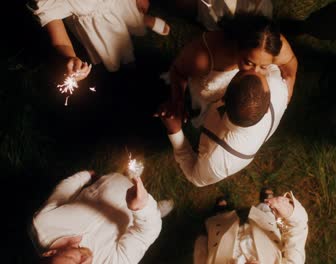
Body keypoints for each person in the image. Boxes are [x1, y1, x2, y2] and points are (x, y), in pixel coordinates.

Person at [157, 65, 289, 187]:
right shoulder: (276, 86)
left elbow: (194, 177)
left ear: (223, 97)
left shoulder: (219, 161)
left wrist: (175, 131)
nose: (256, 68)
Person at [165, 14, 296, 127]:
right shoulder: (202, 58)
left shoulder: (271, 45)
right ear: (237, 46)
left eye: (263, 66)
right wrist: (178, 101)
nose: (255, 74)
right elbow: (177, 71)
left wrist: (287, 95)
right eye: (249, 63)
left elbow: (290, 62)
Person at [31, 170, 174, 263]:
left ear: (50, 253)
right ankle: (156, 210)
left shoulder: (43, 223)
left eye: (74, 261)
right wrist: (142, 207)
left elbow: (63, 193)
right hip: (138, 215)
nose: (86, 260)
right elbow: (144, 235)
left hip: (110, 182)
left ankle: (126, 177)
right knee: (150, 218)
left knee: (129, 174)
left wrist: (85, 176)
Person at [28, 0, 171, 81]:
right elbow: (61, 42)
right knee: (118, 45)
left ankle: (142, 20)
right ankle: (126, 59)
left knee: (131, 16)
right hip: (99, 21)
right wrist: (69, 57)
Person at [193, 187, 309, 263]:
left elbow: (200, 256)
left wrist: (202, 238)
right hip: (264, 226)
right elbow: (298, 230)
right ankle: (266, 201)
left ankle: (222, 210)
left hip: (221, 233)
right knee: (265, 209)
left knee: (221, 219)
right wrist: (290, 212)